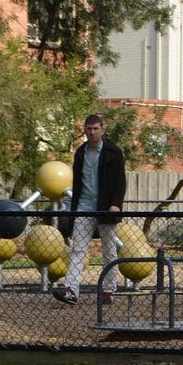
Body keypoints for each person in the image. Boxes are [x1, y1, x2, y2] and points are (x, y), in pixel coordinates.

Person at [54, 114, 126, 305]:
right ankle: (71, 290)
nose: (92, 132)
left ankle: (108, 291)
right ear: (85, 130)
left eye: (95, 128)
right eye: (89, 129)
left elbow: (120, 181)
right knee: (78, 249)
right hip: (84, 206)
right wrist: (75, 207)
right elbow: (77, 183)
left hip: (105, 208)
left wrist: (116, 204)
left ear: (103, 129)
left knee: (109, 250)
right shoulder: (80, 152)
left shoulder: (114, 152)